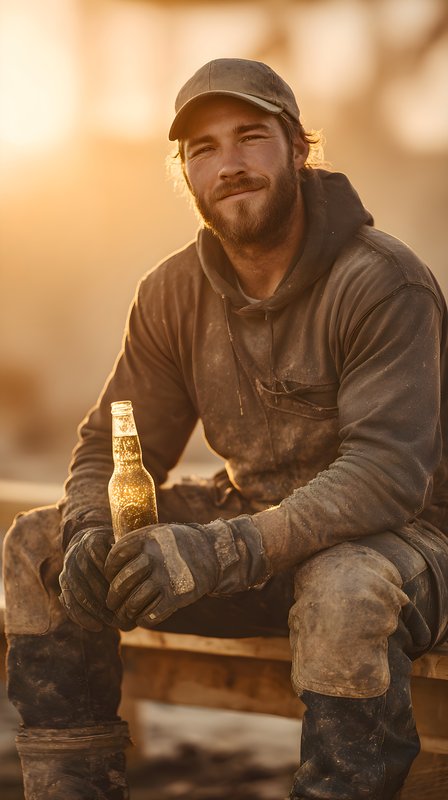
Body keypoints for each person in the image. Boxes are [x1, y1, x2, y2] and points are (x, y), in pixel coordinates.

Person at [3, 57, 448, 800]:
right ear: (185, 172)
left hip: (407, 548)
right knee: (39, 546)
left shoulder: (382, 283)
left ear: (300, 150)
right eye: (203, 150)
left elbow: (385, 478)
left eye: (250, 138)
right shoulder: (172, 291)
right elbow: (110, 445)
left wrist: (220, 550)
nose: (229, 165)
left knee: (345, 588)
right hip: (250, 540)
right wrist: (87, 531)